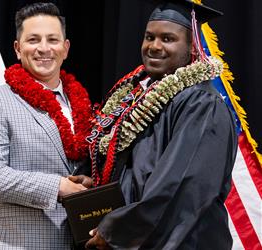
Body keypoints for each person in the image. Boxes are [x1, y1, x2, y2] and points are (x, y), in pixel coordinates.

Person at [85, 0, 237, 249]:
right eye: (149, 37)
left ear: (191, 48)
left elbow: (180, 187)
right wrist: (94, 180)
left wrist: (117, 231)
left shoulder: (201, 104)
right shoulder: (138, 96)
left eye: (167, 39)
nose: (154, 46)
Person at [0, 2, 92, 249]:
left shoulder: (82, 105)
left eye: (53, 40)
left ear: (65, 48)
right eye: (33, 39)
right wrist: (58, 186)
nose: (44, 48)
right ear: (17, 48)